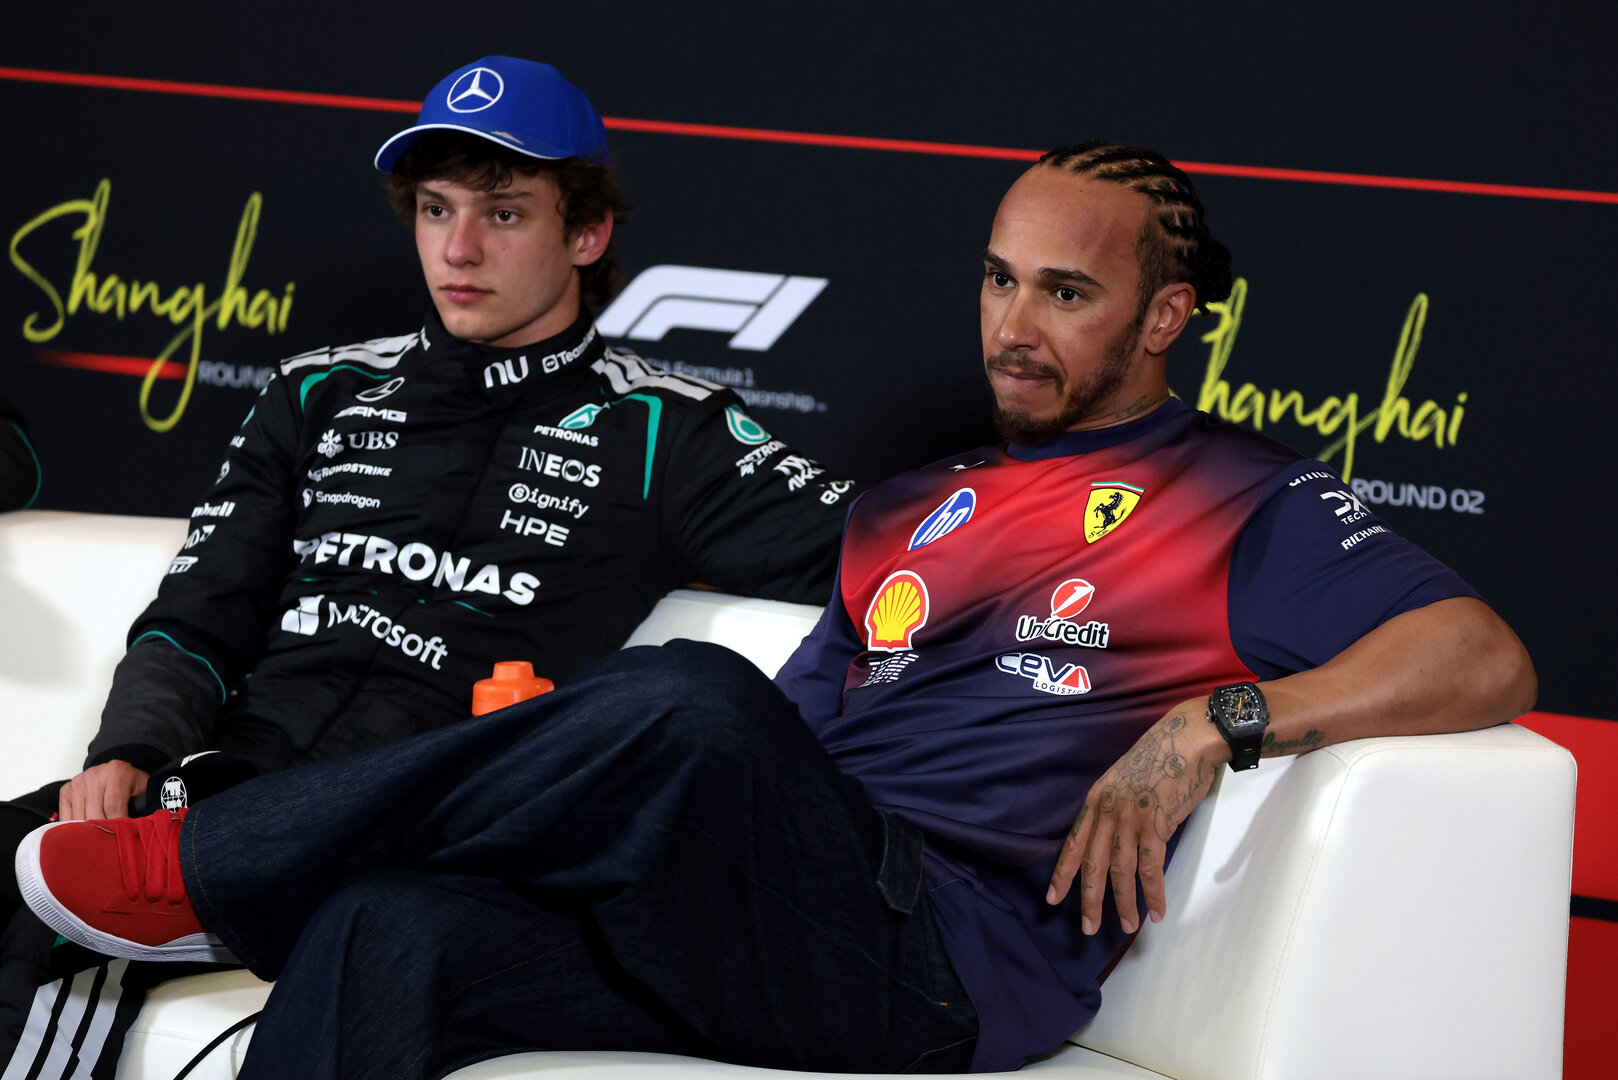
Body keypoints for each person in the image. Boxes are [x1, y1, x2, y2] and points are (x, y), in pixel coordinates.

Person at [17, 140, 1535, 1077]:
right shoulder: (909, 506)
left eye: (1063, 294)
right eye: (999, 281)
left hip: (933, 966)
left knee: (681, 703)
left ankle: (193, 870)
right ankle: (238, 873)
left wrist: (1223, 715)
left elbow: (1481, 654)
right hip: (765, 914)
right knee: (384, 929)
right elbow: (789, 744)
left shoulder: (1237, 500)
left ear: (1164, 318)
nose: (1012, 325)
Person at [0, 55, 851, 1078]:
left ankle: (215, 886)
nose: (457, 248)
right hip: (228, 783)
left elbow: (895, 555)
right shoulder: (316, 390)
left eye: (502, 214)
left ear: (587, 233)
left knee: (43, 922)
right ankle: (207, 875)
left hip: (418, 828)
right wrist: (127, 751)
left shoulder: (668, 427)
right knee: (32, 860)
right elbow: (199, 612)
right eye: (435, 208)